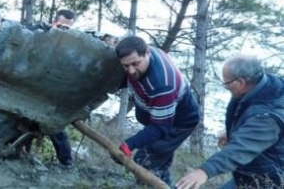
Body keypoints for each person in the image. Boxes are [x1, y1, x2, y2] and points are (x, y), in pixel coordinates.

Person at [176, 55, 284, 189]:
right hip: (250, 172)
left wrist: (204, 171)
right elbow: (248, 118)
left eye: (226, 83)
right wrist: (232, 131)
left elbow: (240, 149)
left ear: (240, 82)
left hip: (269, 180)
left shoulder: (268, 116)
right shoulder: (260, 85)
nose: (225, 87)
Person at [113, 36, 200, 186]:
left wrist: (129, 144)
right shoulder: (142, 53)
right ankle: (145, 182)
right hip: (158, 114)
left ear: (147, 53)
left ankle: (161, 184)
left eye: (135, 64)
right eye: (126, 66)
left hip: (179, 122)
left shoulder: (162, 85)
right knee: (159, 156)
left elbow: (161, 127)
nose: (131, 71)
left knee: (147, 159)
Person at [23, 9, 77, 169]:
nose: (64, 31)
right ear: (54, 22)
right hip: (30, 86)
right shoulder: (39, 32)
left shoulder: (72, 46)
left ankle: (66, 163)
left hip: (51, 92)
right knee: (25, 122)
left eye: (68, 28)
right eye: (61, 26)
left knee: (55, 127)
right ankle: (23, 154)